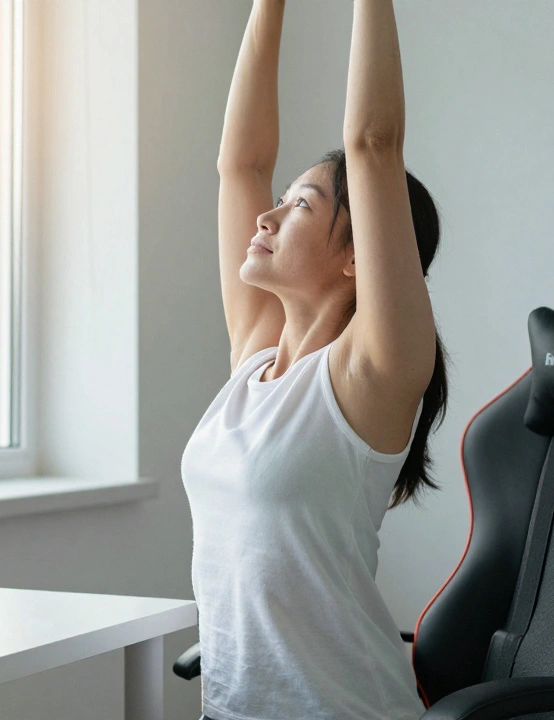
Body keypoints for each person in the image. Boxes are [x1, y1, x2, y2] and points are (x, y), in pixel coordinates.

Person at [181, 1, 448, 718]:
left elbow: (371, 142)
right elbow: (239, 163)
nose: (265, 217)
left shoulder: (372, 377)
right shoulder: (255, 359)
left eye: (298, 206)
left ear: (359, 256)